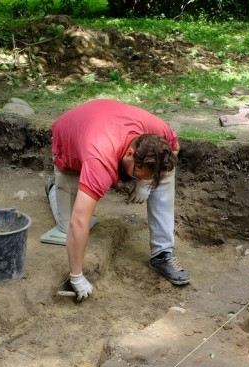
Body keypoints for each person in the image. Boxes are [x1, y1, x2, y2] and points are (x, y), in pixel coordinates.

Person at [46, 99, 190, 302]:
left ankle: (162, 253)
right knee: (66, 225)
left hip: (103, 125)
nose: (138, 179)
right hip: (70, 144)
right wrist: (76, 276)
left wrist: (146, 183)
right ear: (130, 153)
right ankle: (53, 189)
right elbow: (79, 222)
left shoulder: (157, 130)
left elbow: (175, 149)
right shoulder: (100, 161)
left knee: (166, 174)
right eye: (137, 175)